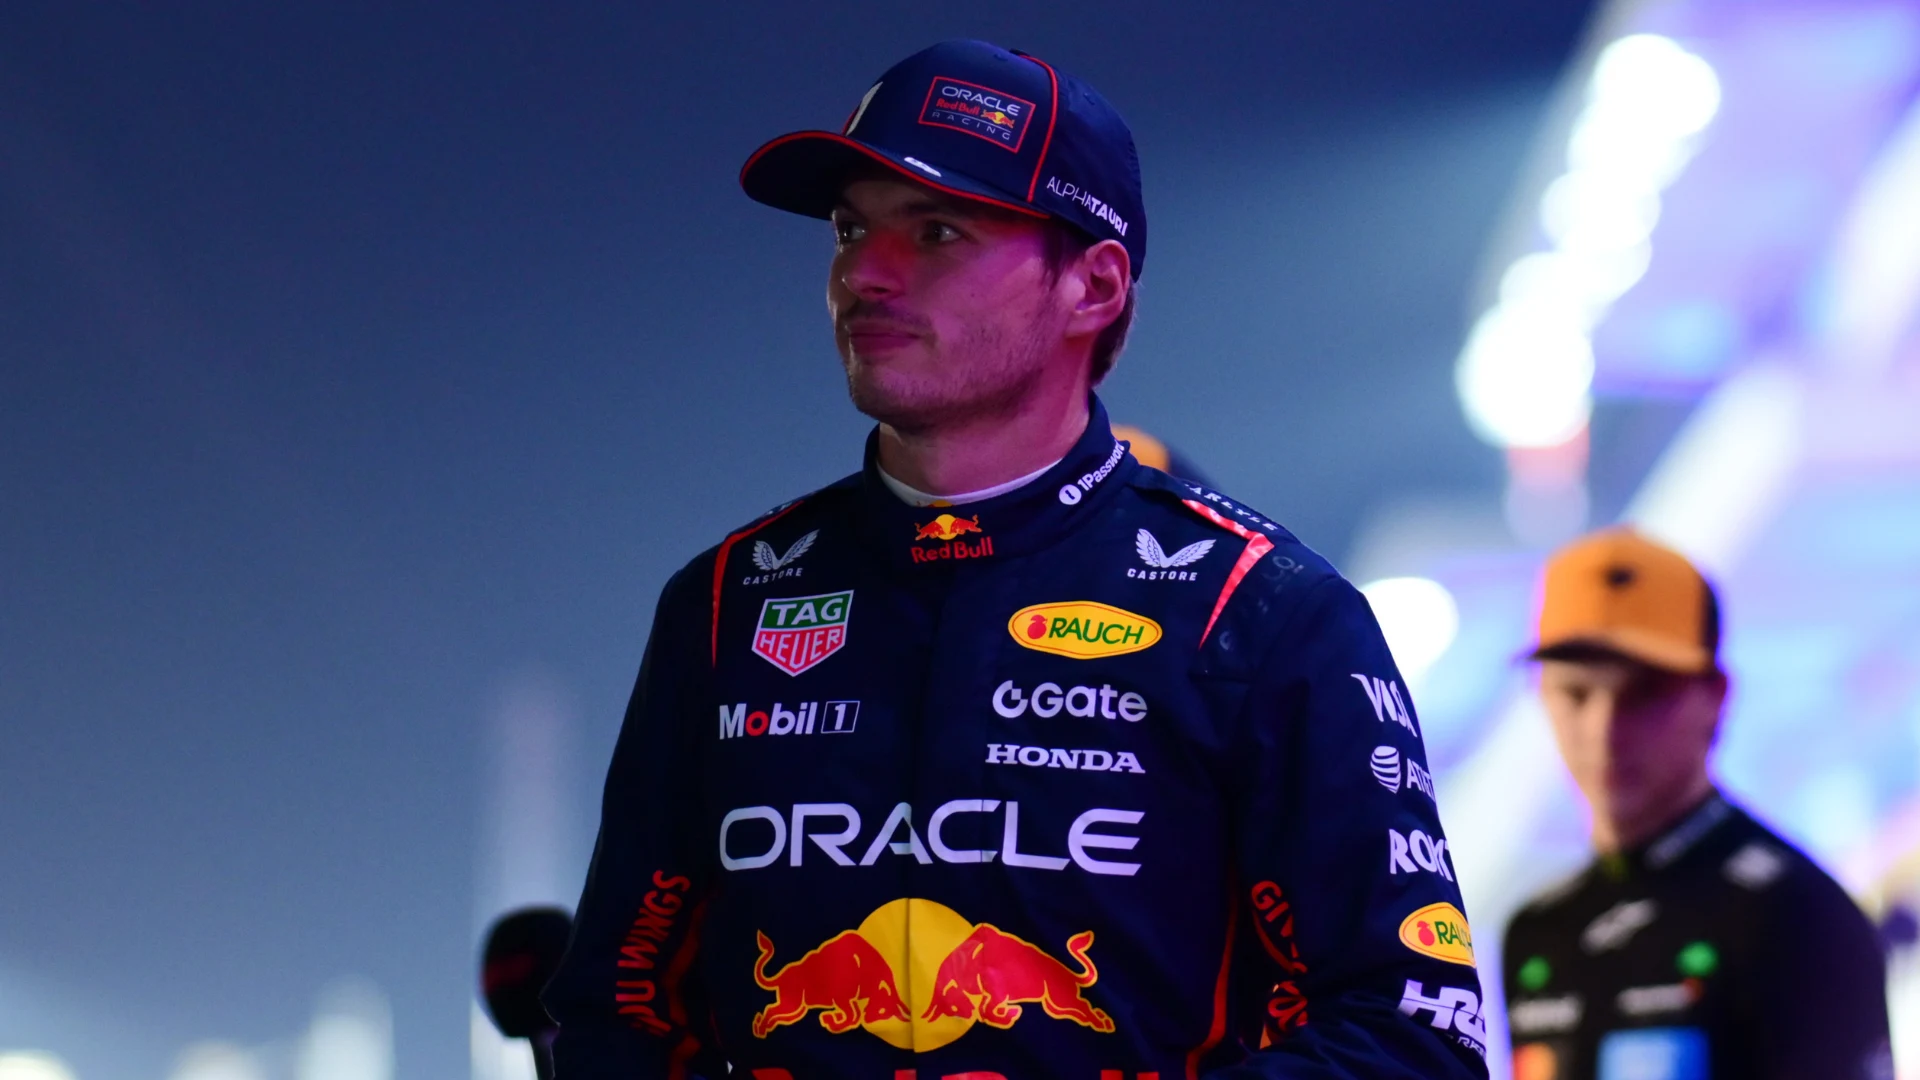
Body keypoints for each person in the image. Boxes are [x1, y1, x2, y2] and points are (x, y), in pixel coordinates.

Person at [542, 39, 1487, 1079]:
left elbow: (1414, 1036)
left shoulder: (1260, 614)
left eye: (936, 232)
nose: (863, 274)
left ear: (1093, 286)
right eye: (850, 229)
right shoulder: (729, 602)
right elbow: (617, 1011)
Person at [1502, 528, 1891, 1080]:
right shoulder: (1539, 931)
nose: (1604, 730)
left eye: (1644, 694)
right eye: (1576, 693)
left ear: (1716, 696)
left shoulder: (1801, 916)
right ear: (1541, 694)